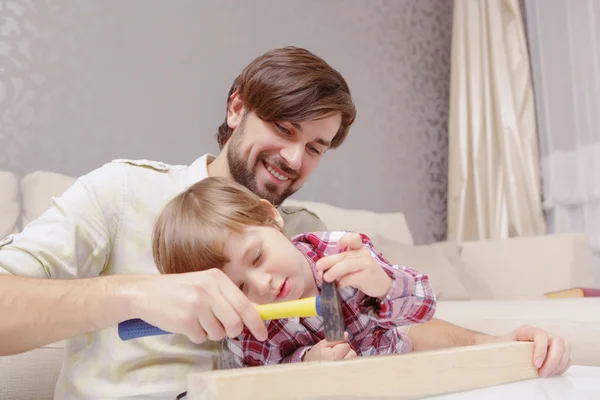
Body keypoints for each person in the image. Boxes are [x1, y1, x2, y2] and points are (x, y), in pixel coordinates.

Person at [0, 47, 570, 399]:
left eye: (316, 147)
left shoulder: (304, 232)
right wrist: (136, 294)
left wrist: (501, 346)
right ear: (235, 108)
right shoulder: (122, 192)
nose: (295, 161)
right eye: (284, 129)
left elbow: (386, 328)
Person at [151, 176, 436, 366]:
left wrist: (385, 285)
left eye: (257, 257)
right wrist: (306, 361)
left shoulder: (341, 252)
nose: (263, 285)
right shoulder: (249, 333)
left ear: (271, 217)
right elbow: (267, 385)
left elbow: (424, 308)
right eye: (238, 289)